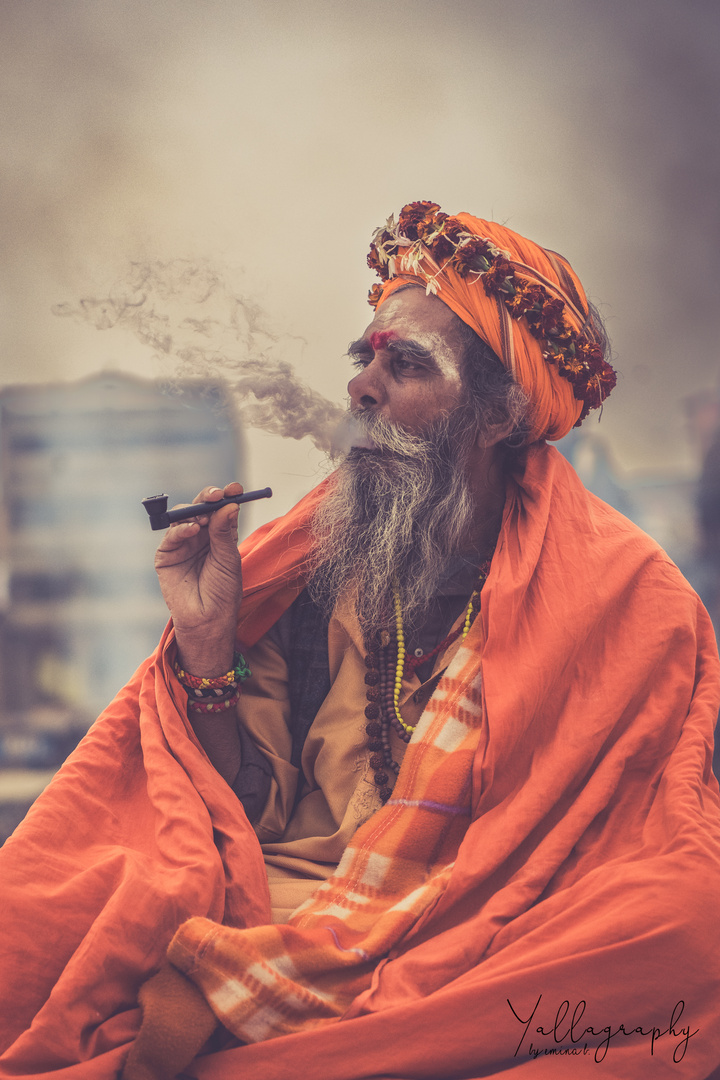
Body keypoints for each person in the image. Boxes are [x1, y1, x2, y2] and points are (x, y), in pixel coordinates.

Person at [2, 202, 720, 1080]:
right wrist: (203, 641)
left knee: (691, 925)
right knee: (59, 904)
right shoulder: (307, 562)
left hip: (509, 919)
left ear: (500, 414)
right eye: (364, 360)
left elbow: (634, 834)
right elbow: (234, 809)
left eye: (407, 366)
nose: (360, 389)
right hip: (297, 891)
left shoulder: (627, 589)